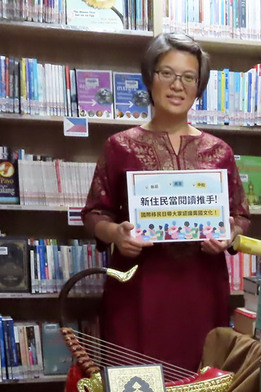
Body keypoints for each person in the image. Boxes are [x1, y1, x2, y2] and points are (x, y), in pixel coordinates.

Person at [82, 33, 250, 372]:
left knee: (199, 382)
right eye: (167, 73)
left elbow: (240, 216)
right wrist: (116, 234)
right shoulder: (119, 146)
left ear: (199, 87)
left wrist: (228, 234)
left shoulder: (220, 151)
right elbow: (94, 212)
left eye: (189, 77)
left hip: (200, 288)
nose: (177, 85)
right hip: (138, 289)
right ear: (150, 77)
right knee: (137, 387)